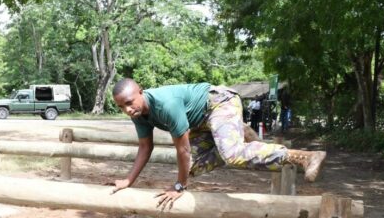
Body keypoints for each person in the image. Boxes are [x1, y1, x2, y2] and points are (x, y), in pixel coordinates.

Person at [110, 78, 326, 209]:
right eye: (121, 107)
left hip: (219, 103)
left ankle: (304, 157)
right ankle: (237, 131)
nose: (127, 110)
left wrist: (179, 186)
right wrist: (128, 180)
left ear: (141, 91)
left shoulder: (166, 105)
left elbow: (183, 149)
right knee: (192, 168)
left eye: (129, 102)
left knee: (231, 154)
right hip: (201, 122)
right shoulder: (138, 115)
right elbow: (145, 147)